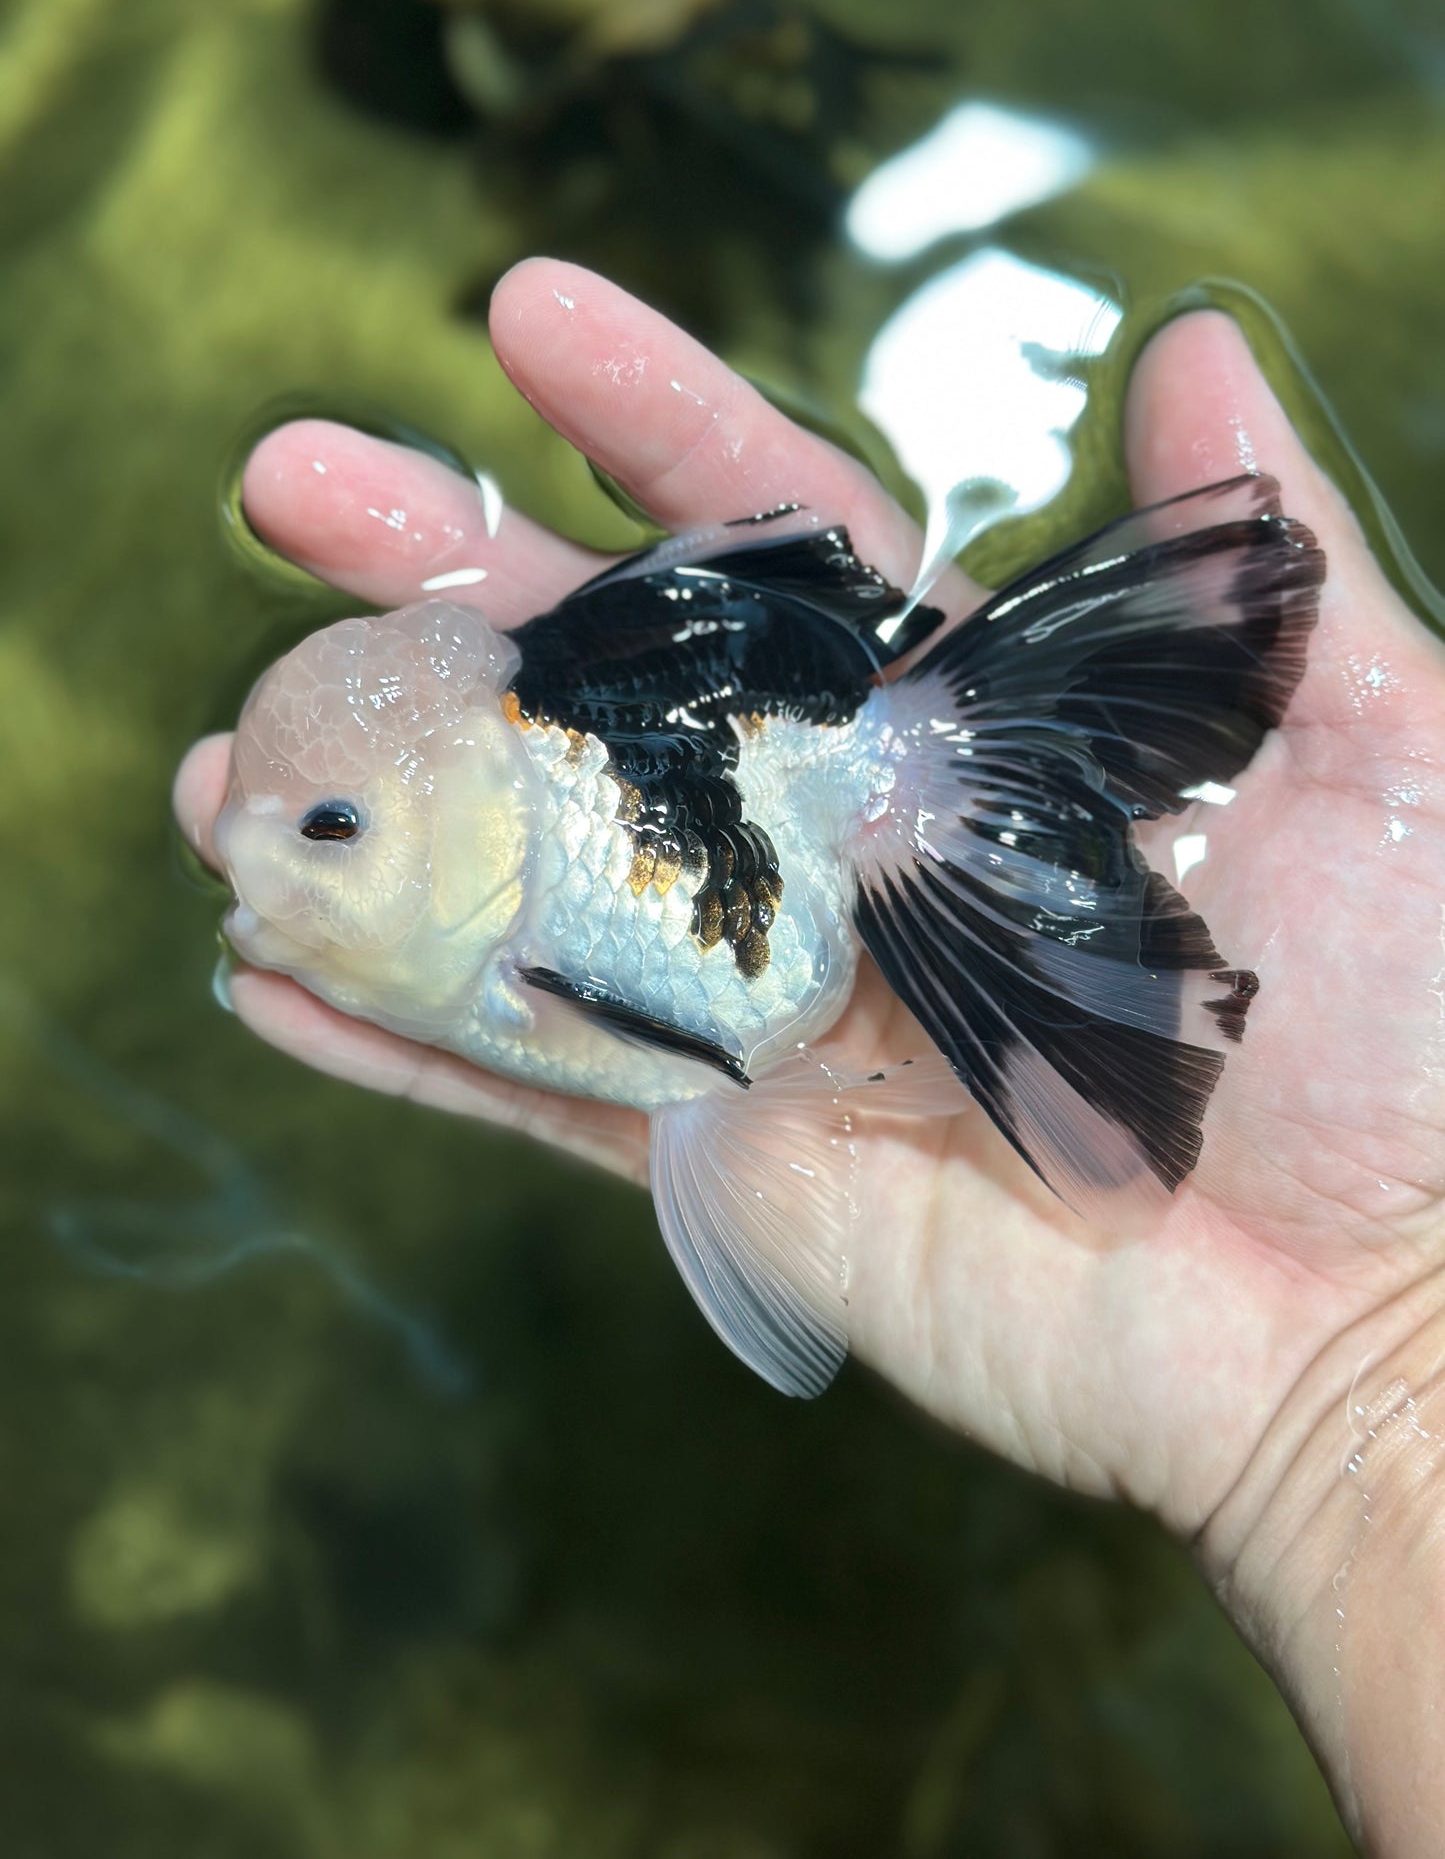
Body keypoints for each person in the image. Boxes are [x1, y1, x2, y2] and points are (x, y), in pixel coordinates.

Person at [175, 258, 1445, 1856]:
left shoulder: (534, 912)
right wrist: (1388, 1373)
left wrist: (1401, 1356)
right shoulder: (483, 886)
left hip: (806, 771)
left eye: (329, 833)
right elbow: (720, 1083)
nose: (259, 865)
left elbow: (714, 1074)